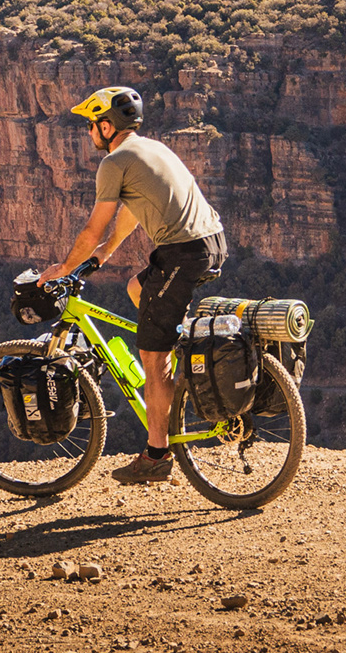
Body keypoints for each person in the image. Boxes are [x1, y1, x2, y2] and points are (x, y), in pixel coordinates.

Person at [38, 85, 228, 485]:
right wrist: (104, 254)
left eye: (92, 125)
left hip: (183, 253)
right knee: (136, 288)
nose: (89, 132)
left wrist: (66, 267)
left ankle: (157, 455)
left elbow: (93, 227)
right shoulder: (150, 148)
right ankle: (174, 355)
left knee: (152, 359)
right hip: (211, 243)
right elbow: (133, 210)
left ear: (107, 126)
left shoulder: (114, 161)